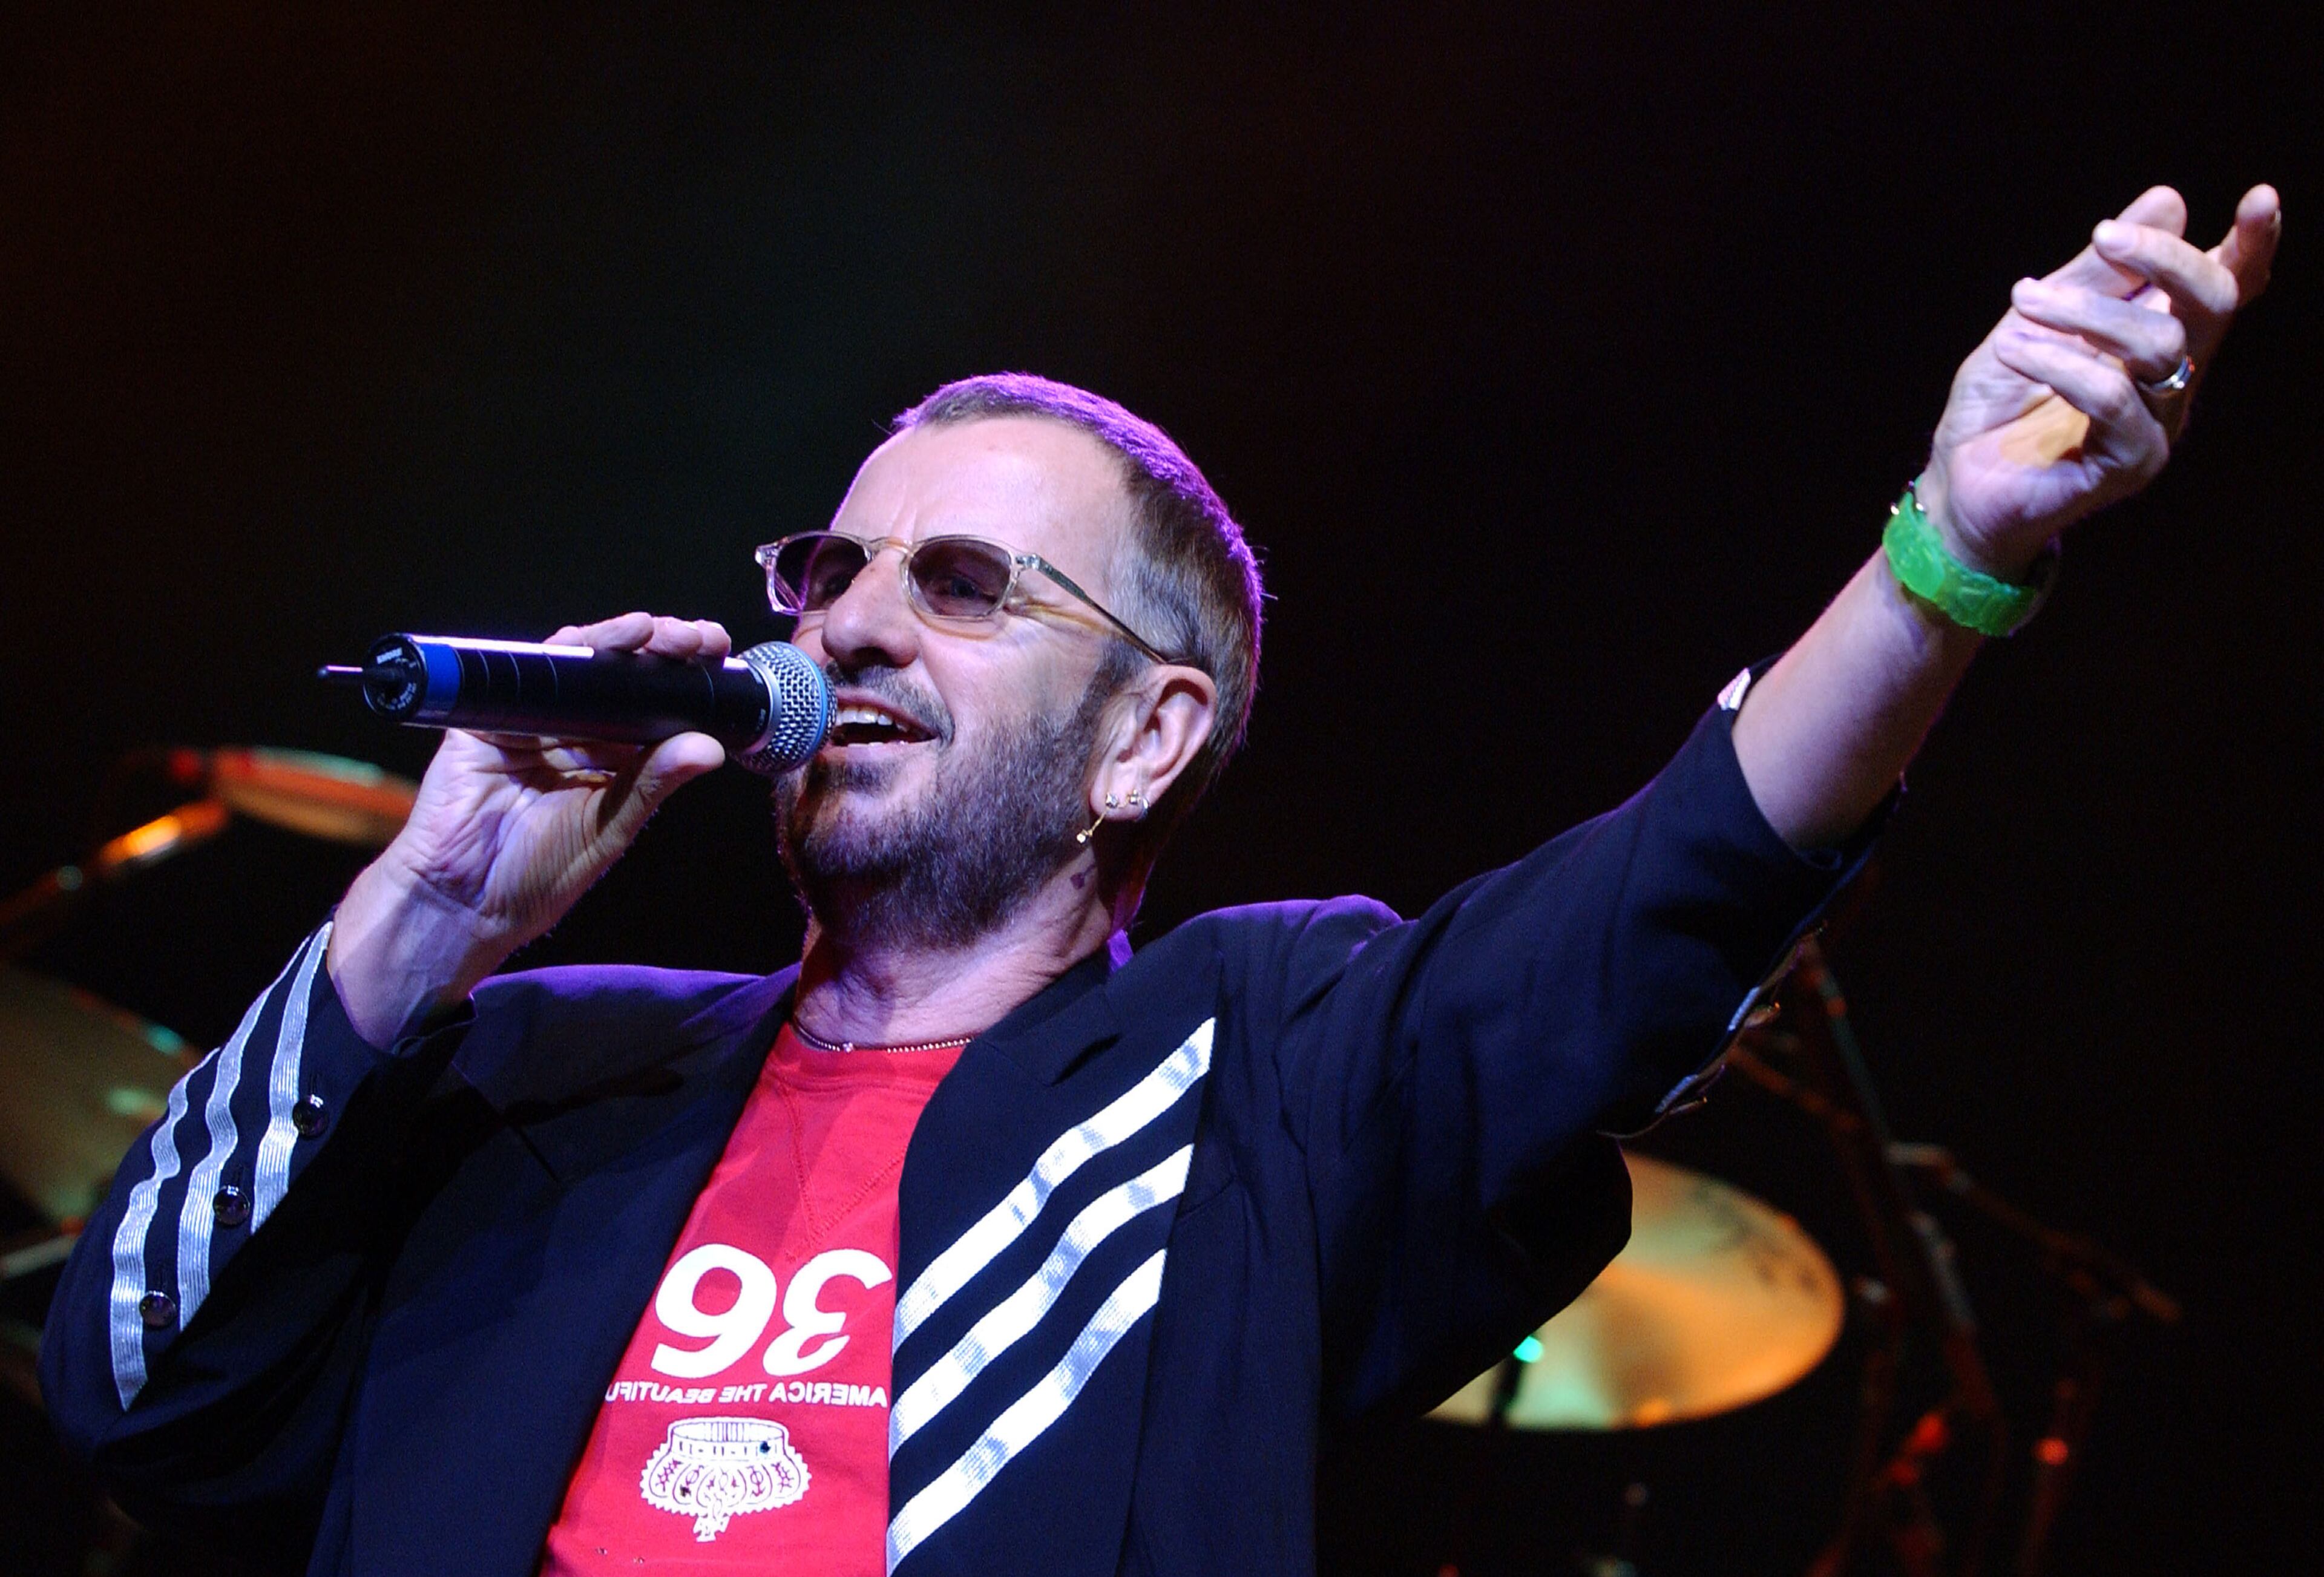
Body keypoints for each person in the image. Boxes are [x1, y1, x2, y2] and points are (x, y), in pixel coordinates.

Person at [43, 184, 2278, 1576]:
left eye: (966, 584)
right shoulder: (541, 1071)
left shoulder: (1263, 1065)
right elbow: (132, 1387)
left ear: (1148, 736)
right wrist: (428, 913)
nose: (851, 625)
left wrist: (1951, 552)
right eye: (833, 568)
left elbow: (1664, 899)